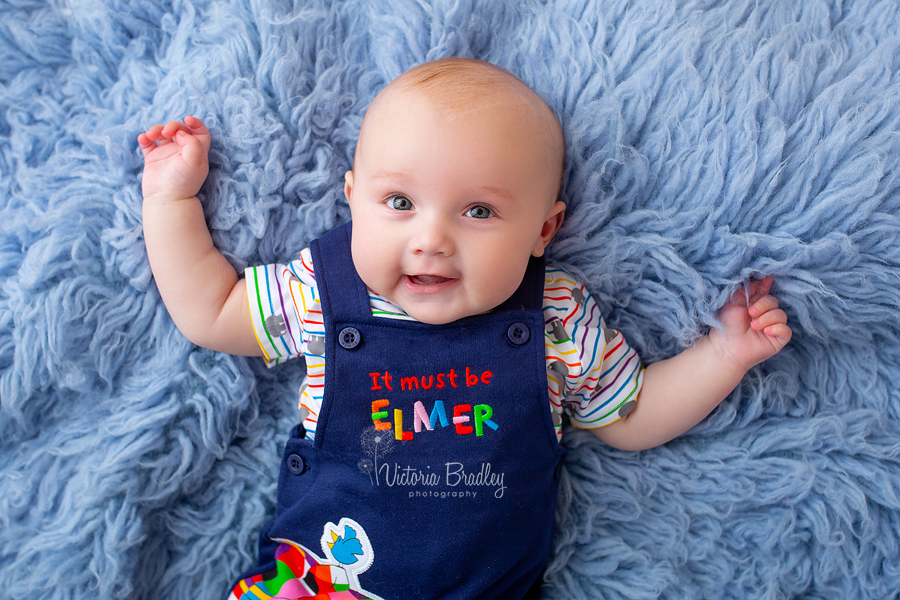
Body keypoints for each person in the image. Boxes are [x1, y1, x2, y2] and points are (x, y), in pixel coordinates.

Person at [138, 57, 791, 600]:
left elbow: (633, 414)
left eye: (478, 211)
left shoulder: (553, 315)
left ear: (543, 229)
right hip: (318, 580)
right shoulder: (323, 290)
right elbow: (213, 312)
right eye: (399, 203)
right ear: (352, 197)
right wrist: (170, 201)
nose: (431, 240)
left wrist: (724, 354)